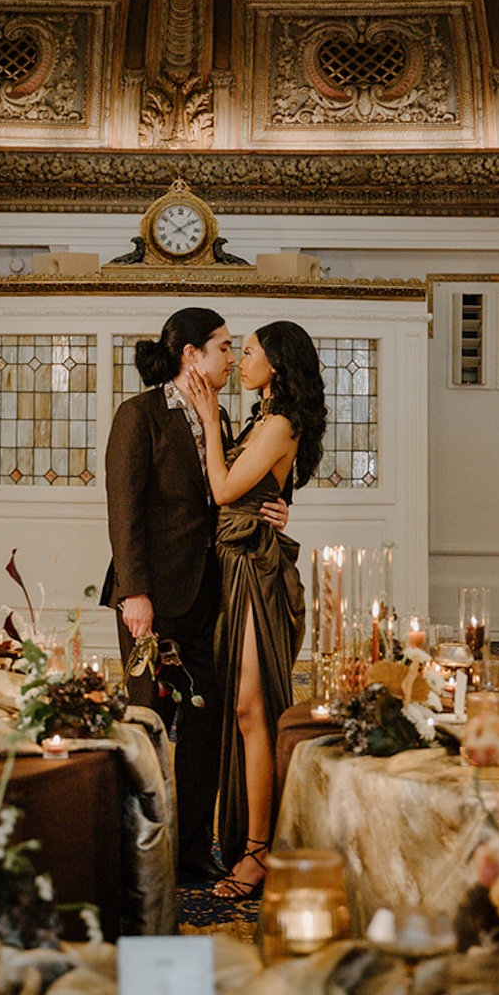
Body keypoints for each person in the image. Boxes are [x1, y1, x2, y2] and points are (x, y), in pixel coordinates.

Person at [102, 308, 287, 886]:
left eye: (235, 350)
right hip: (151, 599)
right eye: (225, 348)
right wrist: (135, 593)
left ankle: (189, 853)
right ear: (192, 355)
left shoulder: (221, 416)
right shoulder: (138, 415)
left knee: (207, 729)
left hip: (215, 595)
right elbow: (124, 511)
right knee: (150, 724)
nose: (233, 359)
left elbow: (227, 490)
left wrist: (274, 508)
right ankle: (142, 851)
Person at [186, 321, 326, 901]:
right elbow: (257, 494)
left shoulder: (279, 423)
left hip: (255, 572)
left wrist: (209, 412)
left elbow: (221, 490)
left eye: (249, 353)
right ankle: (254, 840)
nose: (241, 361)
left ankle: (259, 850)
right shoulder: (262, 421)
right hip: (235, 564)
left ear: (277, 364)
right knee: (243, 710)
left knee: (253, 708)